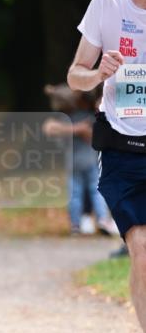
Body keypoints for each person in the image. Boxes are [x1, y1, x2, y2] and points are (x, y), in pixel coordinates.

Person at [67, 0, 146, 333]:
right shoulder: (107, 3)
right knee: (141, 250)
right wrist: (98, 72)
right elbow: (75, 75)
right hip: (122, 150)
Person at [43, 85, 116, 236]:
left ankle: (75, 225)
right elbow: (93, 138)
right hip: (89, 161)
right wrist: (79, 129)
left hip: (73, 162)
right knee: (96, 191)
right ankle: (102, 219)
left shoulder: (66, 120)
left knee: (75, 194)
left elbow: (58, 137)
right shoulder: (89, 118)